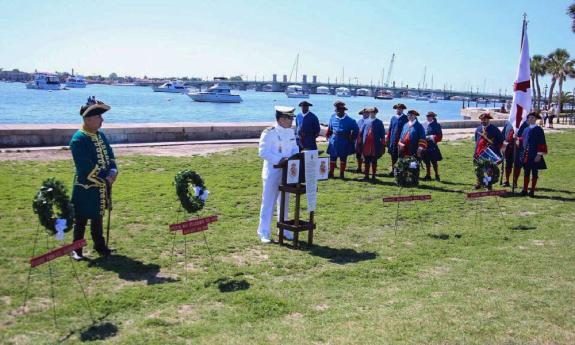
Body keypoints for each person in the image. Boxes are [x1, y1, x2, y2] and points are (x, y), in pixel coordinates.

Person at [70, 96, 118, 260]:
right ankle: (77, 249)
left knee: (97, 217)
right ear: (89, 119)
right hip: (85, 186)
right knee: (81, 219)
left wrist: (113, 170)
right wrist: (106, 177)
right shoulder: (78, 139)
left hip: (102, 185)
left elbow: (110, 156)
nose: (102, 120)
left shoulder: (100, 136)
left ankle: (100, 246)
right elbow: (85, 166)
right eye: (99, 117)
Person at [257, 106, 300, 244]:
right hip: (273, 171)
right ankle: (264, 232)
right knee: (268, 202)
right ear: (281, 119)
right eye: (290, 118)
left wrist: (295, 157)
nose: (292, 120)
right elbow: (263, 152)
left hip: (288, 171)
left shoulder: (291, 132)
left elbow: (295, 148)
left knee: (285, 201)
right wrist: (280, 160)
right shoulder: (269, 133)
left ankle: (284, 229)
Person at [326, 101, 359, 179]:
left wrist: (352, 139)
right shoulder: (332, 118)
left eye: (340, 110)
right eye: (337, 110)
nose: (338, 112)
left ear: (344, 111)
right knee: (332, 157)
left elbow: (356, 130)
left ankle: (341, 174)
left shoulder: (351, 120)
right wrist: (330, 137)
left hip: (344, 141)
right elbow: (330, 128)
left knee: (343, 158)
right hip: (334, 141)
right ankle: (331, 173)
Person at [518, 112, 548, 197]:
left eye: (532, 118)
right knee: (526, 172)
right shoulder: (525, 129)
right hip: (526, 155)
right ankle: (524, 189)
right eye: (529, 118)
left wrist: (539, 154)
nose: (530, 119)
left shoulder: (539, 129)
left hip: (534, 154)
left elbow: (542, 142)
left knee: (534, 172)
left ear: (535, 119)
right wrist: (517, 139)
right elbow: (523, 140)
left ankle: (532, 190)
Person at [473, 112, 503, 189]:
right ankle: (479, 183)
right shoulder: (478, 129)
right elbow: (477, 140)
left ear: (489, 120)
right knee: (479, 168)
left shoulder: (494, 129)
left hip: (489, 153)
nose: (483, 121)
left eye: (485, 119)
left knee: (489, 170)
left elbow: (501, 140)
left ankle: (488, 185)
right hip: (479, 152)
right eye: (482, 119)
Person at [359, 107, 385, 181]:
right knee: (366, 161)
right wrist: (360, 143)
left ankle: (373, 176)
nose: (372, 114)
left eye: (373, 112)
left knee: (374, 161)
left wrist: (383, 146)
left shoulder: (379, 122)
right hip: (366, 145)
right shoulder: (365, 121)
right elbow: (361, 133)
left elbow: (382, 135)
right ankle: (366, 176)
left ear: (375, 113)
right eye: (370, 112)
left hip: (375, 145)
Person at [501, 120, 529, 188]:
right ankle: (507, 181)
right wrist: (503, 144)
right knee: (508, 165)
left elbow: (526, 136)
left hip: (519, 148)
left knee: (517, 165)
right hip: (508, 147)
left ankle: (515, 182)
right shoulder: (508, 122)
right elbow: (503, 134)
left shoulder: (525, 124)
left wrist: (519, 139)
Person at [386, 103, 408, 176]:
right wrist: (388, 138)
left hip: (401, 141)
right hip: (393, 140)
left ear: (403, 109)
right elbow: (390, 129)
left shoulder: (406, 118)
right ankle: (393, 170)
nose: (398, 110)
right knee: (393, 156)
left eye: (400, 109)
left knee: (402, 157)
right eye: (397, 109)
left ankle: (401, 171)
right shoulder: (393, 118)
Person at [422, 111, 443, 181]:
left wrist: (431, 137)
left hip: (432, 146)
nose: (428, 117)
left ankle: (437, 175)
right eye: (427, 116)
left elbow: (440, 136)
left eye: (429, 116)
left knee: (434, 161)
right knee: (426, 161)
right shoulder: (424, 124)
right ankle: (428, 175)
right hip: (425, 145)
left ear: (433, 117)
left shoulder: (437, 125)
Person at [355, 108, 370, 173]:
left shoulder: (370, 122)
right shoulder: (359, 121)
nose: (365, 114)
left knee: (366, 156)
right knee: (358, 155)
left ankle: (366, 169)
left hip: (367, 141)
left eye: (367, 113)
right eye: (364, 113)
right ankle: (359, 168)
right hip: (359, 141)